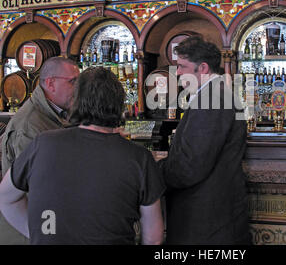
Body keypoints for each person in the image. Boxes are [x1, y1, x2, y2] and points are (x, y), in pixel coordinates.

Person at [0, 67, 165, 245]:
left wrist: (38, 233)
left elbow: (6, 198)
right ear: (119, 104)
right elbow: (153, 238)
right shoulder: (139, 158)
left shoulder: (43, 144)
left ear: (77, 101)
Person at [160, 36, 250, 245]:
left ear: (202, 68)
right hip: (212, 215)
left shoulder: (211, 99)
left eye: (182, 66)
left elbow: (190, 166)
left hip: (206, 220)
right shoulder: (214, 94)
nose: (178, 72)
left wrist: (152, 173)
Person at [0, 56, 80, 245]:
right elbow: (36, 190)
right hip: (30, 231)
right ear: (51, 83)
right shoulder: (30, 126)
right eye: (73, 82)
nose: (78, 89)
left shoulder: (53, 114)